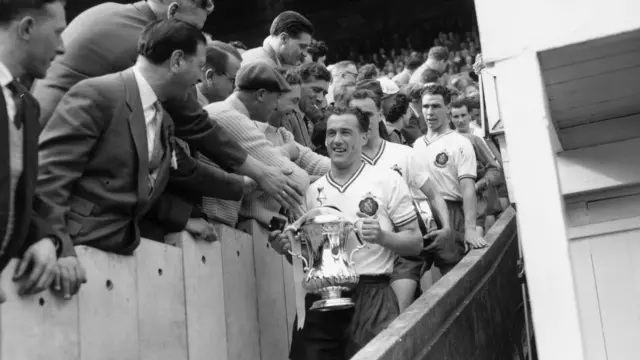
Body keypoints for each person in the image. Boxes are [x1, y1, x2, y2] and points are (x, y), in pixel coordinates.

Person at [32, 1, 296, 206]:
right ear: (171, 14)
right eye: (193, 30)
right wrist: (260, 173)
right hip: (56, 169)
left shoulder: (110, 13)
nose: (198, 41)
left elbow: (167, 150)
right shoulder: (143, 51)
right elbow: (194, 123)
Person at [272, 106, 422, 359]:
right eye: (331, 133)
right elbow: (306, 259)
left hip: (372, 294)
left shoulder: (387, 181)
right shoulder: (312, 191)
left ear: (364, 136)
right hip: (319, 298)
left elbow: (416, 243)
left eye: (346, 132)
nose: (337, 140)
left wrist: (383, 237)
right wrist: (287, 249)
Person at [0, 0, 86, 303]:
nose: (62, 47)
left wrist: (49, 240)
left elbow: (21, 197)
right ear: (26, 28)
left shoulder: (26, 105)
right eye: (57, 32)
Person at [348, 88, 451, 312]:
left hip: (403, 248)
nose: (363, 119)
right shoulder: (344, 161)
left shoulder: (402, 153)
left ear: (380, 115)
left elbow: (433, 193)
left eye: (368, 113)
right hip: (363, 256)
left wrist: (447, 227)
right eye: (356, 113)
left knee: (397, 313)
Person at [202, 62, 317, 227]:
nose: (276, 106)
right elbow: (297, 180)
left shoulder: (225, 112)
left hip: (214, 220)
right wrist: (276, 163)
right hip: (210, 221)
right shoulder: (231, 117)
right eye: (276, 98)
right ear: (261, 95)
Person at [413, 84, 487, 269]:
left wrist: (470, 229)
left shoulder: (460, 143)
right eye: (426, 106)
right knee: (416, 271)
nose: (430, 112)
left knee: (453, 271)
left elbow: (468, 188)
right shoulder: (416, 145)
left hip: (452, 211)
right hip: (421, 213)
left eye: (436, 106)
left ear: (447, 108)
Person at [242, 11, 313, 70]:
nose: (305, 54)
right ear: (284, 38)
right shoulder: (257, 68)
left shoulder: (270, 65)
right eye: (302, 46)